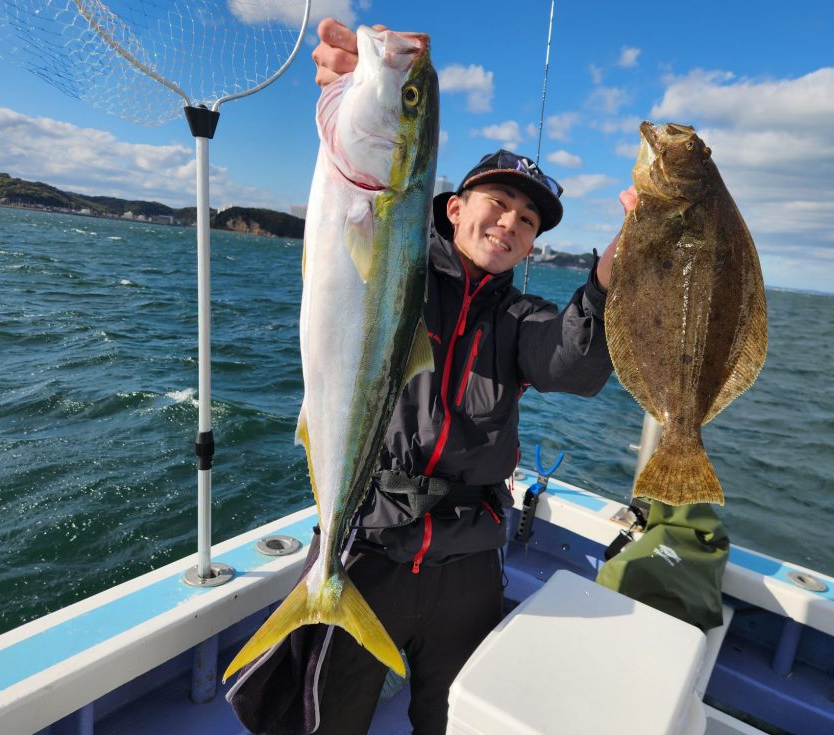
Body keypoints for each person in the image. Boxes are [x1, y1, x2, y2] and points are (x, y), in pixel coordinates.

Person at [230, 18, 636, 735]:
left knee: (453, 720)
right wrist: (359, 91)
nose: (509, 223)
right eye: (497, 203)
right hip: (371, 541)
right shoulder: (401, 269)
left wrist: (606, 282)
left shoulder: (522, 318)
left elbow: (573, 364)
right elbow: (363, 206)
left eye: (528, 220)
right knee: (330, 720)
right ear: (452, 209)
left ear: (532, 247)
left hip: (470, 560)